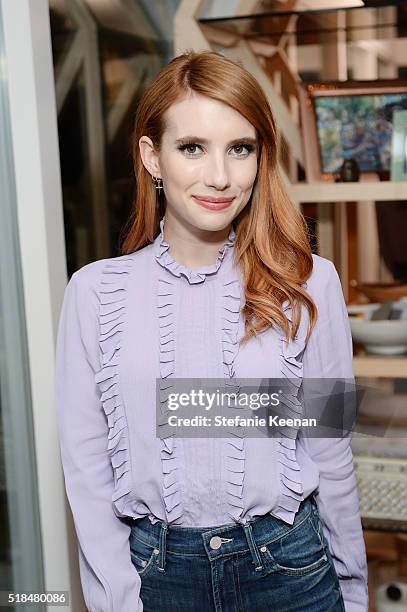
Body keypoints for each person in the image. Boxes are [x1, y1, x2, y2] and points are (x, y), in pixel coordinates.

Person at [55, 50, 368, 611]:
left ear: (259, 158)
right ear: (152, 156)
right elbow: (87, 471)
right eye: (192, 147)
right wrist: (119, 601)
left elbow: (330, 449)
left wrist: (352, 587)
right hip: (156, 578)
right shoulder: (94, 293)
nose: (219, 177)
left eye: (240, 149)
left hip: (289, 570)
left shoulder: (309, 283)